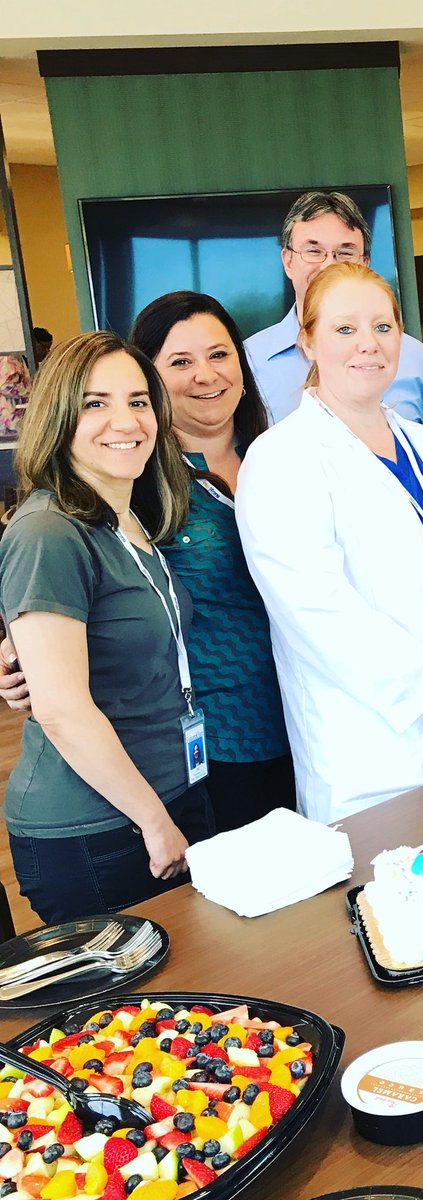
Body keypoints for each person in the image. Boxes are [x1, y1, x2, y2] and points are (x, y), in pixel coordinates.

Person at [237, 263, 423, 824]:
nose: (368, 344)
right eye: (344, 329)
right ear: (307, 341)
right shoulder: (282, 458)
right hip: (373, 750)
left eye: (382, 327)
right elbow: (315, 608)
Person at [0, 331, 214, 922]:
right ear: (59, 416)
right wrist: (153, 820)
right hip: (97, 827)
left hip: (169, 790)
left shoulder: (130, 518)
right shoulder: (48, 531)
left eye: (139, 400)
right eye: (95, 402)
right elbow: (63, 710)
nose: (125, 419)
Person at [129, 291, 295, 831]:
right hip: (218, 739)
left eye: (219, 355)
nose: (206, 375)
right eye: (181, 362)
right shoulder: (138, 486)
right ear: (149, 380)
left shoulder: (286, 459)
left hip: (317, 717)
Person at [245, 190, 423, 434]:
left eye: (345, 253)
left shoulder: (417, 361)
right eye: (313, 251)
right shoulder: (248, 362)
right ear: (288, 261)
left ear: (365, 263)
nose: (328, 266)